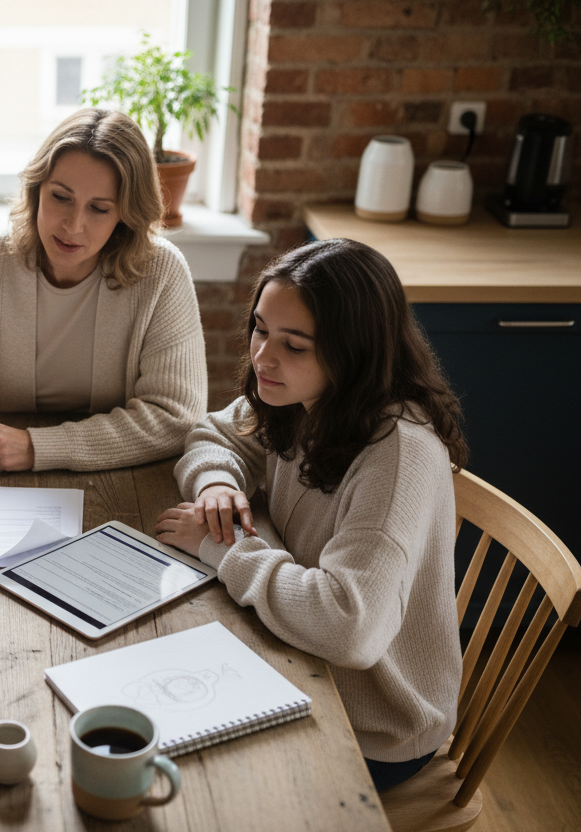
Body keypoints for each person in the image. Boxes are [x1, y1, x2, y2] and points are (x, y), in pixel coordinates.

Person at [155, 238, 467, 792]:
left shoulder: (398, 454)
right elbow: (213, 431)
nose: (262, 357)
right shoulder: (303, 396)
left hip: (371, 721)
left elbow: (351, 626)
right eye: (260, 329)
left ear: (353, 353)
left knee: (187, 774)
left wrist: (221, 548)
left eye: (294, 345)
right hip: (295, 654)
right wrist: (218, 485)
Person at [0, 108, 207, 514]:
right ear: (35, 189)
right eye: (60, 197)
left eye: (99, 208)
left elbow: (175, 416)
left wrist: (36, 447)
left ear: (126, 215)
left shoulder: (161, 273)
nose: (72, 225)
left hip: (123, 487)